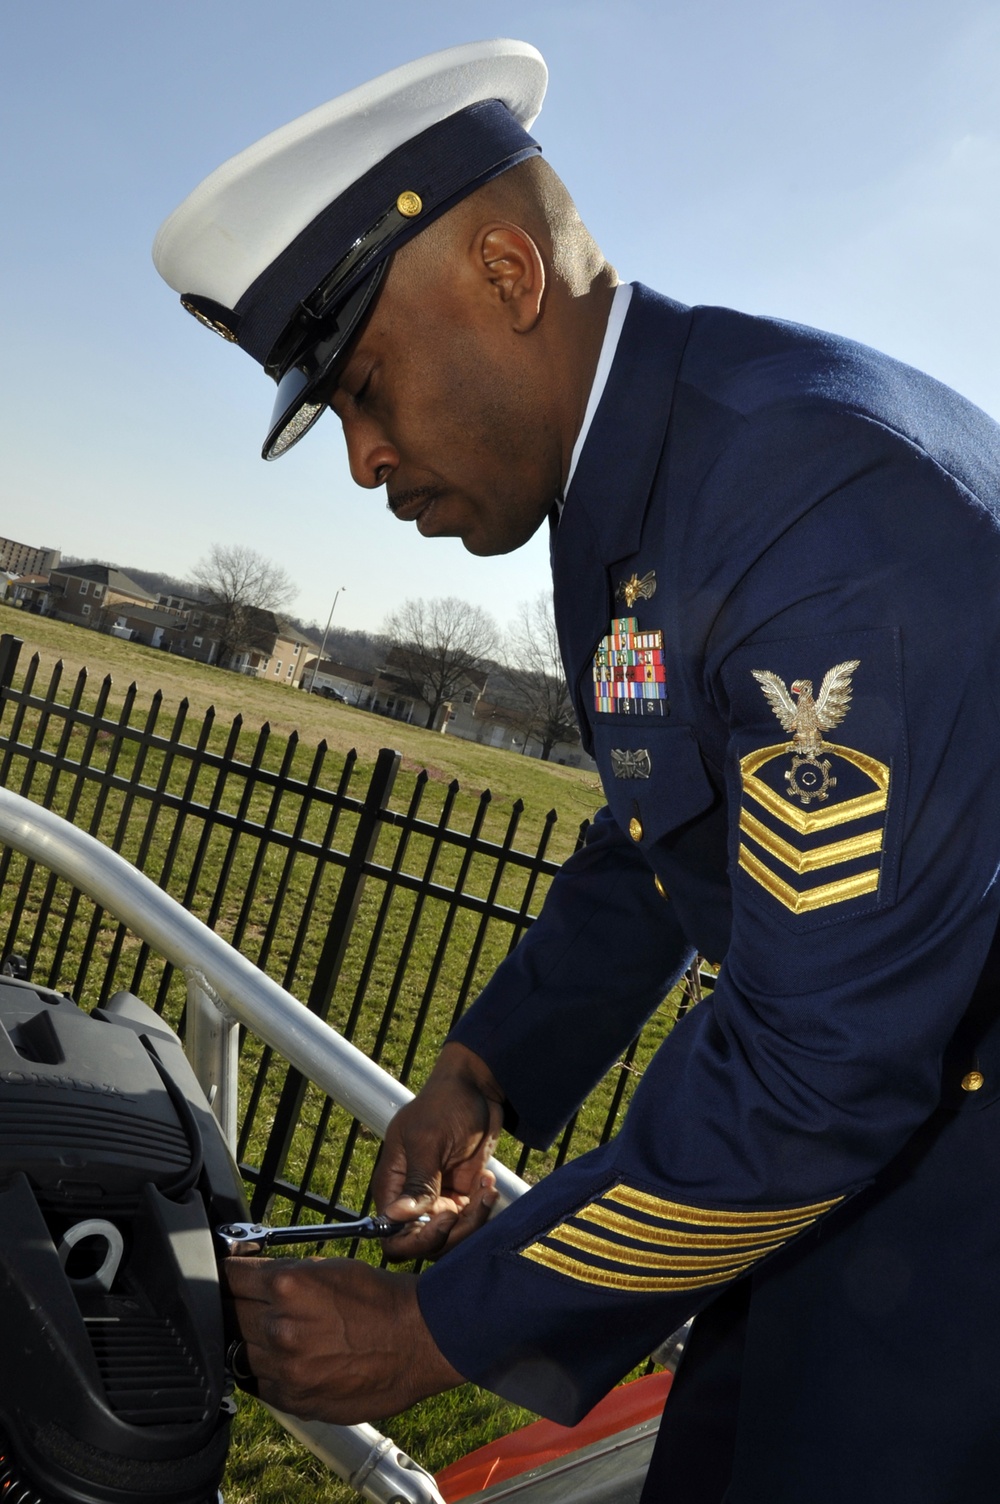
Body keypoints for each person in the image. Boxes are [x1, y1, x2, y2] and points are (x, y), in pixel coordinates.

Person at [154, 40, 1000, 1503]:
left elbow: (823, 1074)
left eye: (365, 387)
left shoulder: (813, 504)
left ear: (504, 275)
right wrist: (485, 1073)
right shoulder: (650, 492)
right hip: (863, 1189)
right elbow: (656, 833)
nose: (362, 460)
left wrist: (435, 1331)